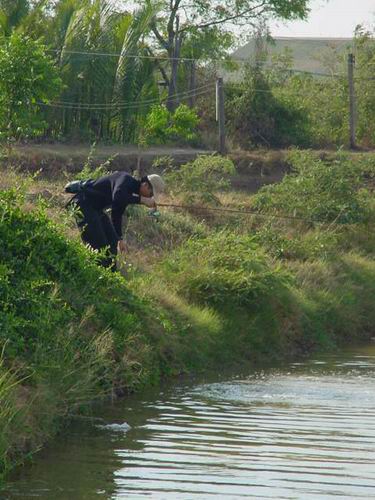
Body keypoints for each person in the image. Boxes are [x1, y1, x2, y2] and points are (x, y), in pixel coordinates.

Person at [66, 172, 165, 270]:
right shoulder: (125, 179)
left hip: (95, 209)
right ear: (145, 185)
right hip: (82, 205)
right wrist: (141, 200)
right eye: (151, 193)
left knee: (113, 242)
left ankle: (111, 276)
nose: (150, 197)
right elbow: (118, 196)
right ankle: (95, 276)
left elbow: (116, 214)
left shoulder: (128, 191)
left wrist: (120, 238)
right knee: (100, 246)